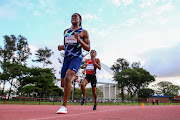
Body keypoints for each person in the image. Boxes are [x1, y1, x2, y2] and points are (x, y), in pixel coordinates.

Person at [57, 13, 90, 114]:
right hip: (66, 59)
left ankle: (64, 106)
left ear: (80, 20)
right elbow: (66, 45)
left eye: (76, 16)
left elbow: (88, 48)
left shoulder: (83, 32)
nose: (73, 18)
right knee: (63, 84)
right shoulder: (66, 31)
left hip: (76, 58)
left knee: (67, 78)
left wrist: (79, 39)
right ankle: (75, 77)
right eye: (72, 16)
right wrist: (61, 47)